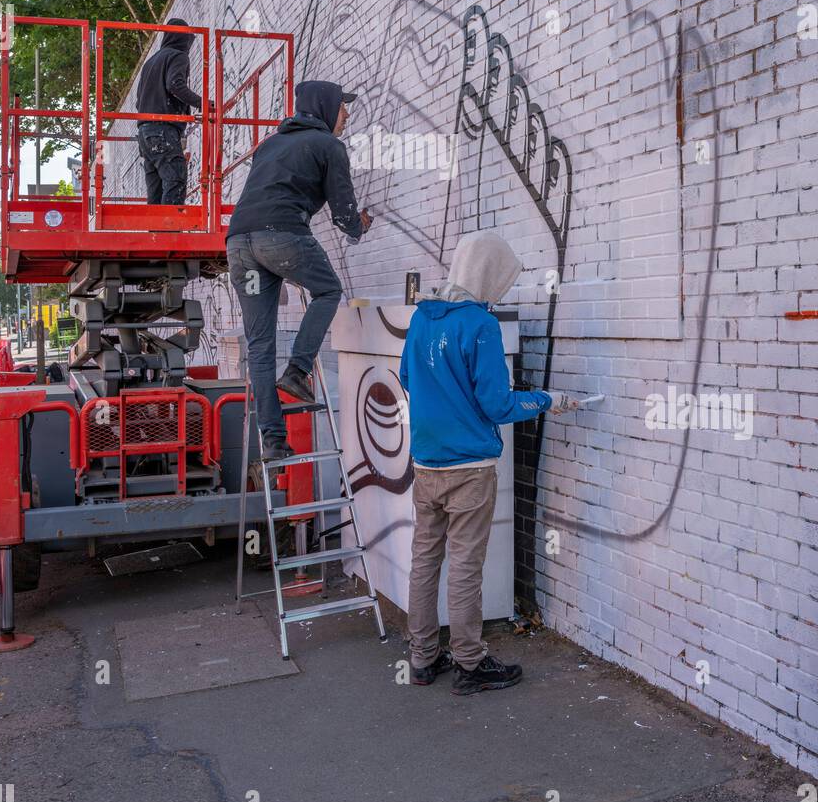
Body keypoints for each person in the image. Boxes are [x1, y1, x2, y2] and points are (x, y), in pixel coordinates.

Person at [400, 231, 581, 697]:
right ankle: (470, 662)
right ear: (487, 274)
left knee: (424, 559)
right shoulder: (480, 325)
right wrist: (548, 399)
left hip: (426, 464)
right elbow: (499, 405)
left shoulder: (422, 319)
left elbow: (407, 378)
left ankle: (421, 658)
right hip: (470, 468)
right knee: (464, 564)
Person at [226, 80, 371, 461]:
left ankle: (273, 441)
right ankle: (297, 370)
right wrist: (360, 227)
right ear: (325, 107)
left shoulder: (270, 145)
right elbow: (343, 214)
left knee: (259, 345)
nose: (347, 115)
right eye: (343, 107)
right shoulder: (329, 146)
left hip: (240, 245)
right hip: (281, 238)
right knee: (327, 291)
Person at [135, 19, 203, 205]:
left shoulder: (150, 63)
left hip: (145, 134)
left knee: (155, 191)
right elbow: (175, 84)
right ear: (183, 38)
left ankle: (155, 233)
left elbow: (138, 101)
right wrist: (202, 103)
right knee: (175, 179)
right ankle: (170, 231)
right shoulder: (177, 56)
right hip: (163, 130)